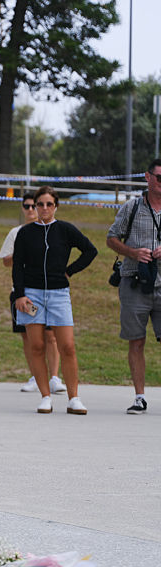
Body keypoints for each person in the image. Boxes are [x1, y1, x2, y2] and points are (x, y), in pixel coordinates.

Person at [12, 186, 97, 414]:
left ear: (56, 206)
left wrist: (69, 271)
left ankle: (74, 398)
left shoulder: (65, 230)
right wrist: (20, 294)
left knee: (67, 346)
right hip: (32, 294)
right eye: (40, 204)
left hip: (59, 294)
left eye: (49, 204)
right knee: (37, 346)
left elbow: (90, 251)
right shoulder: (25, 233)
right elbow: (17, 265)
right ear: (35, 206)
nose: (44, 208)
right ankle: (45, 396)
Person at [106, 159, 161, 415]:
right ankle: (139, 397)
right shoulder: (132, 206)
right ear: (148, 178)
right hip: (135, 281)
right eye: (159, 177)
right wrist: (132, 252)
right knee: (136, 341)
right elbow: (111, 238)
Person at [0, 192, 65, 395]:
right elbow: (6, 261)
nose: (31, 210)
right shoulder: (16, 232)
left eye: (33, 206)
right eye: (27, 206)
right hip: (23, 293)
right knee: (29, 337)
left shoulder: (52, 230)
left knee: (51, 336)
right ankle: (36, 376)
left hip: (47, 292)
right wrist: (21, 253)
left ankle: (54, 377)